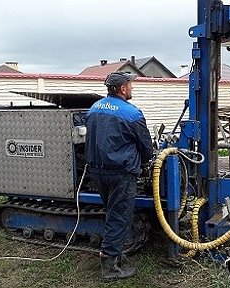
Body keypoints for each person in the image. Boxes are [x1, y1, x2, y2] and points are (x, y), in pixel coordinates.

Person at [85, 71, 153, 280]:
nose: (132, 87)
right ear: (123, 88)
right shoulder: (132, 114)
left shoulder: (94, 109)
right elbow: (147, 149)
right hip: (121, 174)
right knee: (119, 216)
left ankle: (115, 254)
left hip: (97, 172)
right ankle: (110, 267)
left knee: (111, 212)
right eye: (130, 84)